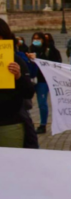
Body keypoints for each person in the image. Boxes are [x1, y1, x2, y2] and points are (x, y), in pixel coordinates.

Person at [0, 19, 36, 148]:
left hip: (9, 123)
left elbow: (29, 92)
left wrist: (19, 77)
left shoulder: (16, 60)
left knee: (10, 165)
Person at [26, 31, 62, 134]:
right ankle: (28, 123)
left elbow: (52, 63)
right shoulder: (29, 49)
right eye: (34, 39)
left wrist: (37, 58)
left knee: (42, 103)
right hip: (31, 79)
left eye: (38, 39)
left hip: (42, 80)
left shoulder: (48, 51)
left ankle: (43, 124)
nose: (36, 41)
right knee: (25, 103)